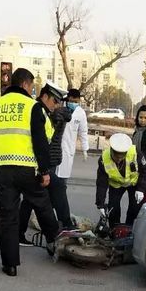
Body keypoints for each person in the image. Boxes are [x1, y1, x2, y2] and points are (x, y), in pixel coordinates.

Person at [0, 69, 60, 277]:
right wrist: (44, 171)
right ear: (26, 84)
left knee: (7, 216)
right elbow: (40, 142)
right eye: (32, 86)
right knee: (42, 203)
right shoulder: (32, 106)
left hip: (2, 169)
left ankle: (10, 265)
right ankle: (56, 241)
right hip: (26, 168)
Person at [18, 82, 73, 246]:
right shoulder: (39, 111)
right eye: (54, 101)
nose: (56, 105)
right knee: (56, 188)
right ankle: (63, 227)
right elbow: (39, 143)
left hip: (41, 163)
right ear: (45, 96)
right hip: (37, 165)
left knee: (30, 200)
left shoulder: (45, 112)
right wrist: (43, 170)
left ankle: (19, 234)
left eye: (58, 102)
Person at [96, 133, 146, 227]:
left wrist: (141, 189)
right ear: (111, 152)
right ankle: (115, 231)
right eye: (116, 157)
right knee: (113, 209)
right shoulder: (103, 159)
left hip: (134, 184)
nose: (119, 160)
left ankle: (129, 229)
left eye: (122, 157)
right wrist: (100, 204)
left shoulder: (135, 152)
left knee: (134, 209)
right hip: (116, 185)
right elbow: (102, 183)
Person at [54, 88, 90, 223]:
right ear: (67, 99)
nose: (73, 103)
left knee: (62, 184)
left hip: (68, 152)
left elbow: (83, 132)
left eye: (76, 101)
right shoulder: (59, 108)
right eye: (71, 101)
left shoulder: (81, 114)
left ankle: (60, 215)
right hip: (55, 150)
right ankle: (54, 212)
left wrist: (85, 149)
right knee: (53, 182)